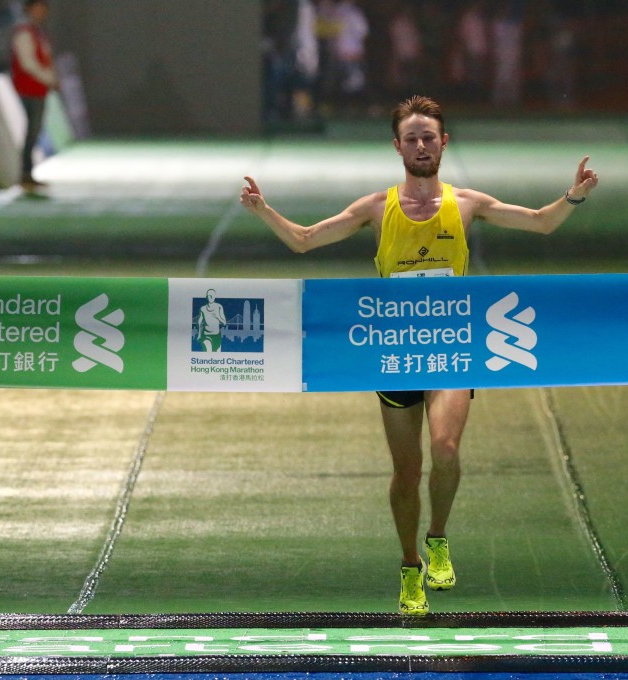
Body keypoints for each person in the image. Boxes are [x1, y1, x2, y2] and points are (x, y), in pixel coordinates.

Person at [239, 95, 598, 616]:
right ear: (398, 147)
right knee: (406, 473)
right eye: (412, 138)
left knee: (446, 450)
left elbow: (542, 222)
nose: (422, 145)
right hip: (396, 354)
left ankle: (437, 537)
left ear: (444, 143)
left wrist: (574, 196)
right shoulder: (376, 209)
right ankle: (410, 568)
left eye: (429, 136)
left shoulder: (468, 203)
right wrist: (263, 210)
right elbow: (304, 240)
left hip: (452, 348)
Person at [10, 0, 57, 193]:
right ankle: (24, 173)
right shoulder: (24, 32)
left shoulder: (37, 32)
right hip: (28, 89)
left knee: (34, 132)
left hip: (38, 89)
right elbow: (28, 63)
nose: (41, 12)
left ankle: (28, 173)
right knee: (31, 132)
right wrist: (48, 78)